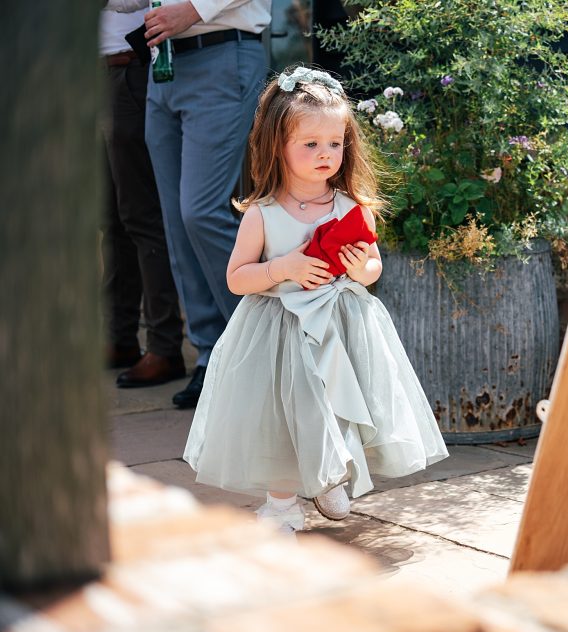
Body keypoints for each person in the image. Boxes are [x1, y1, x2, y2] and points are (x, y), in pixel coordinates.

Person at [181, 67, 449, 534]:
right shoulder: (262, 214)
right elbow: (237, 279)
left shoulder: (351, 207)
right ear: (276, 146)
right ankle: (281, 506)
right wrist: (283, 267)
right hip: (280, 330)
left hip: (341, 325)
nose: (326, 153)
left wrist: (357, 267)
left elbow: (372, 269)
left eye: (335, 142)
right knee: (283, 415)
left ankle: (330, 476)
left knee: (340, 400)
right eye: (310, 144)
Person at [105, 0, 271, 408]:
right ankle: (211, 355)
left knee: (200, 212)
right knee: (176, 224)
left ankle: (262, 347)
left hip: (221, 53)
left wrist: (195, 9)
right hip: (165, 66)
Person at [99, 7, 186, 386]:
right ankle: (119, 338)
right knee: (111, 216)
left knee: (141, 214)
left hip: (133, 69)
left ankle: (164, 346)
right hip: (99, 74)